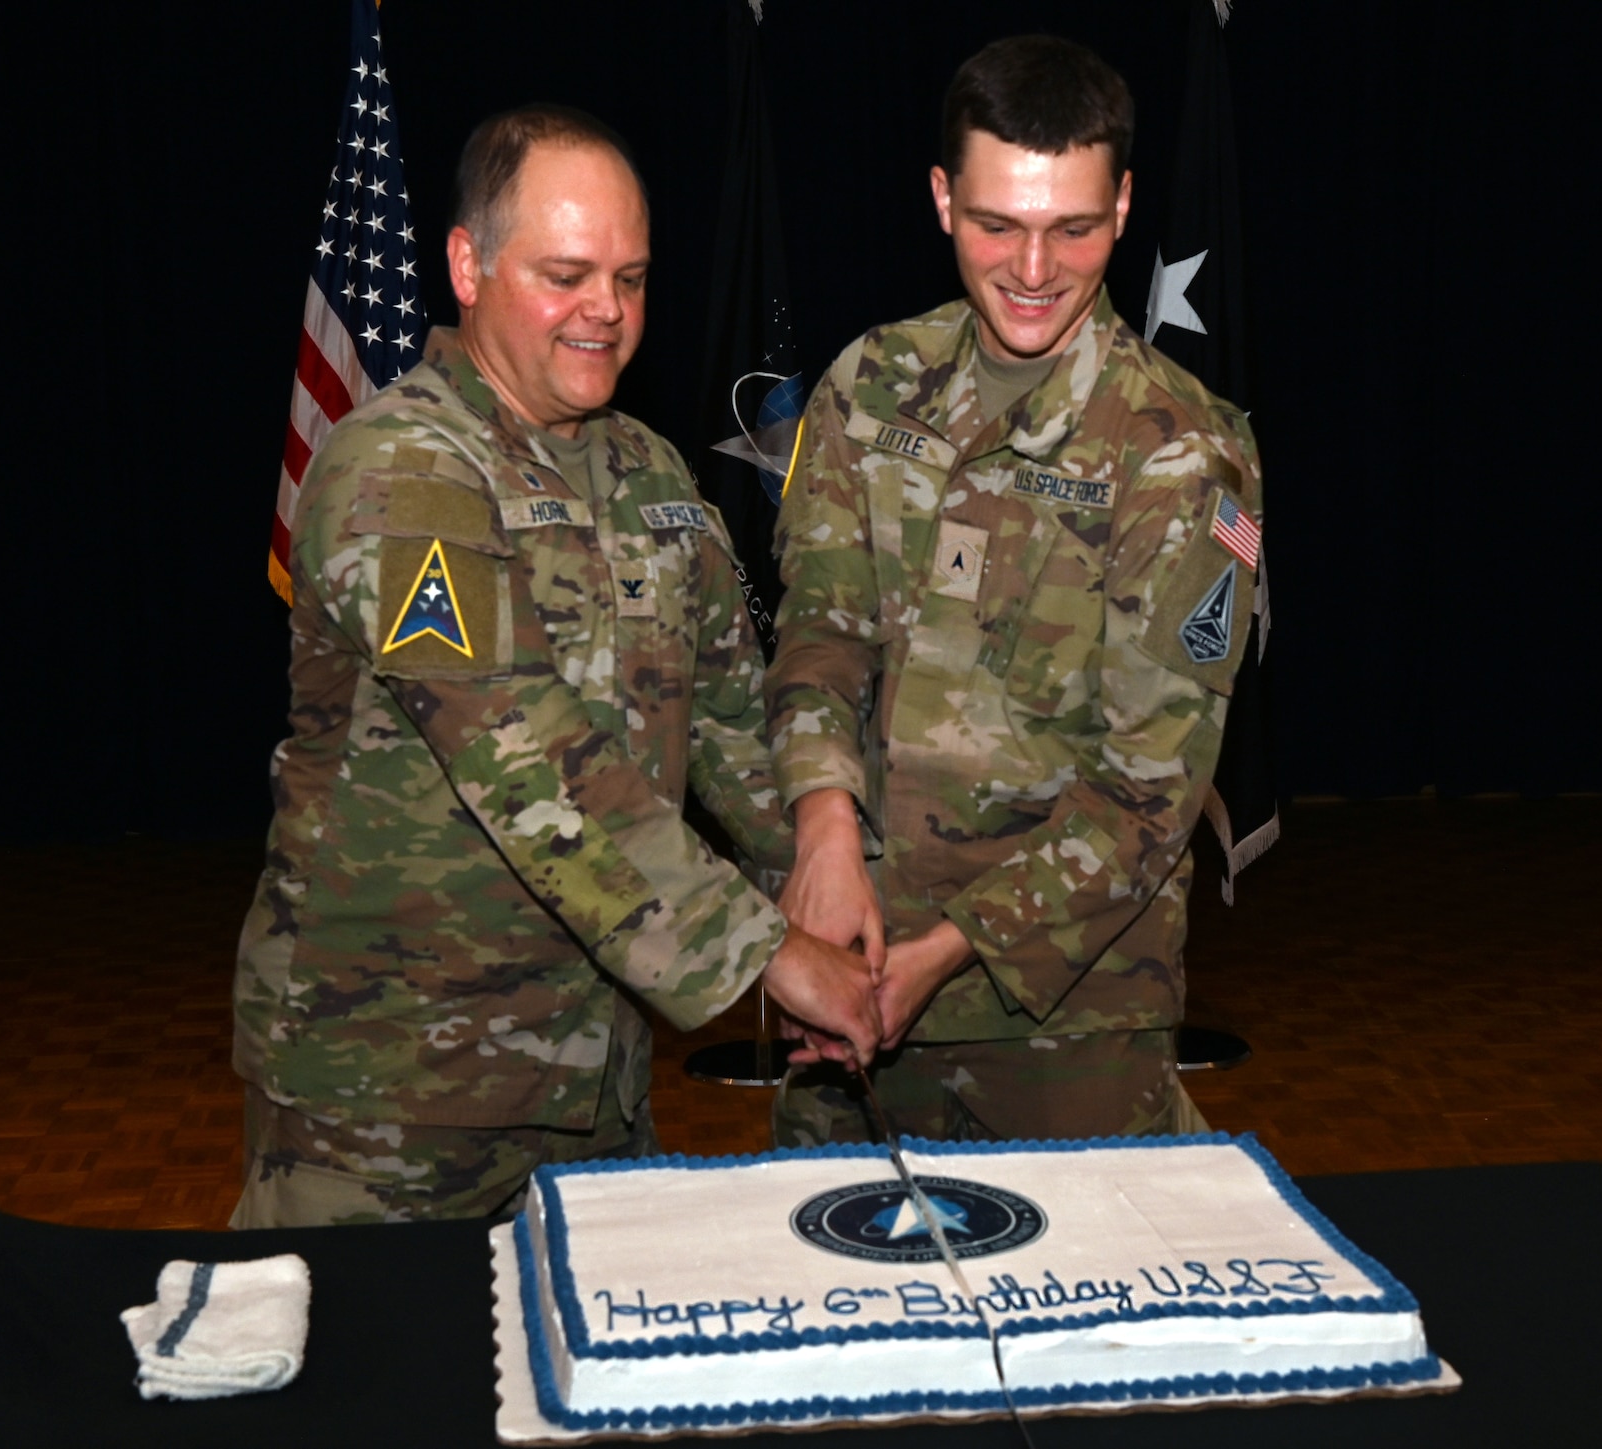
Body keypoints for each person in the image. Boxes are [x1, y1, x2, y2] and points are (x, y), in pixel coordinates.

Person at [231, 105, 878, 1227]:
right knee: (381, 1395)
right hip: (391, 1098)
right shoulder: (399, 468)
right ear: (467, 264)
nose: (607, 313)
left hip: (596, 1084)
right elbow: (523, 756)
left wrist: (838, 889)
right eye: (566, 274)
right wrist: (772, 956)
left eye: (629, 277)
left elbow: (731, 728)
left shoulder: (651, 472)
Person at [768, 36, 1262, 1145]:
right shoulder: (867, 385)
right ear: (942, 198)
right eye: (997, 223)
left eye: (1071, 228)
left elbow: (1144, 802)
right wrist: (823, 834)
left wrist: (937, 957)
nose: (1032, 269)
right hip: (838, 977)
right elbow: (818, 634)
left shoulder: (1179, 454)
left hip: (1064, 1028)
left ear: (1123, 207)